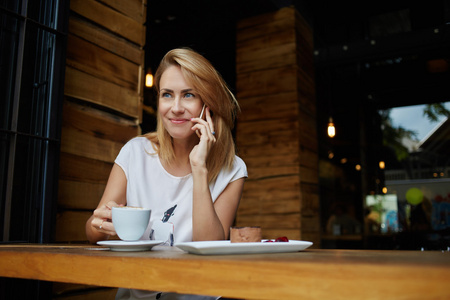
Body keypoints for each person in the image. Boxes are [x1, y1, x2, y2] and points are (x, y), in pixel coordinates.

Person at [85, 48, 247, 300]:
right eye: (167, 95)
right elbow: (93, 230)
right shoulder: (135, 153)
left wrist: (199, 168)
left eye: (189, 95)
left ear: (208, 105)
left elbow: (208, 246)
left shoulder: (233, 169)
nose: (176, 108)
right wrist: (99, 224)